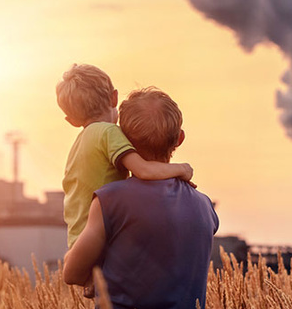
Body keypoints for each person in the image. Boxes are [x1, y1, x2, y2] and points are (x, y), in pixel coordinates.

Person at [63, 87, 219, 309]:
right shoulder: (204, 207)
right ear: (180, 139)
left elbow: (72, 272)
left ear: (122, 138)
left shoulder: (110, 200)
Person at [56, 64, 194, 250]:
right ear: (114, 98)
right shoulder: (108, 133)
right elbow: (144, 170)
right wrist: (182, 169)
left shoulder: (82, 141)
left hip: (78, 242)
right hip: (98, 242)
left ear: (71, 121)